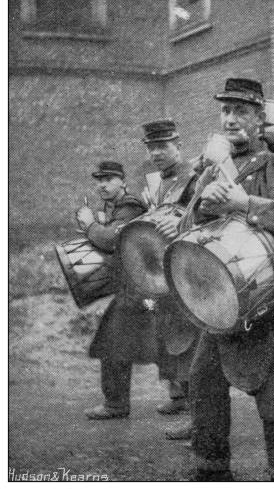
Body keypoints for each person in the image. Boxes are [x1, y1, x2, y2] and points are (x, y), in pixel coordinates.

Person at [189, 78, 274, 481]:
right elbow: (186, 227)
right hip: (224, 298)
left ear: (259, 118)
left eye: (241, 112)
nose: (230, 119)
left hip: (273, 297)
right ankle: (211, 470)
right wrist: (203, 209)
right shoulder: (210, 171)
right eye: (225, 111)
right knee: (202, 382)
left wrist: (244, 202)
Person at [138, 119, 200, 439]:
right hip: (165, 264)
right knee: (169, 331)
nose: (157, 153)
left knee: (189, 338)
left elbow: (203, 219)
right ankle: (179, 395)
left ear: (179, 146)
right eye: (152, 147)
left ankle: (197, 415)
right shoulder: (159, 182)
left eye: (163, 146)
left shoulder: (193, 178)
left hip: (188, 264)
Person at [79, 161, 150, 419]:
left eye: (109, 179)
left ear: (122, 181)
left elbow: (111, 240)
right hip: (137, 285)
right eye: (99, 180)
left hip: (141, 286)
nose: (102, 184)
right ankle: (180, 398)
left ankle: (116, 404)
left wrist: (90, 226)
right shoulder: (114, 208)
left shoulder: (130, 206)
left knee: (112, 341)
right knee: (162, 343)